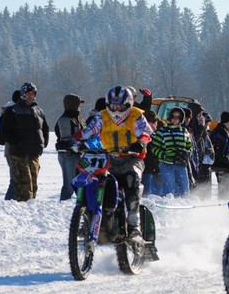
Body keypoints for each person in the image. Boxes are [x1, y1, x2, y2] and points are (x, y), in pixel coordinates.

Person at [73, 85, 153, 241]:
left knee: (132, 180)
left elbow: (146, 133)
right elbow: (87, 132)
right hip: (108, 158)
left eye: (120, 106)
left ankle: (133, 224)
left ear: (129, 103)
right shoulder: (102, 117)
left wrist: (141, 143)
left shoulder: (136, 115)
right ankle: (86, 217)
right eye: (113, 105)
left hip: (131, 158)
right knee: (87, 178)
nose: (116, 109)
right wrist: (70, 140)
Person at [2, 82, 49, 201]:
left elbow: (45, 129)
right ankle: (22, 214)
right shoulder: (12, 111)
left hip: (34, 154)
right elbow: (6, 131)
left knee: (34, 186)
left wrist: (43, 143)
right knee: (24, 188)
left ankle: (31, 213)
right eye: (28, 93)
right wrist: (18, 142)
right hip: (19, 154)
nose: (31, 96)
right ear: (23, 94)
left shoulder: (38, 110)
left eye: (33, 93)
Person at [149, 106, 194, 198]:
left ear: (181, 119)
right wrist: (163, 155)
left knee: (184, 190)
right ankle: (169, 206)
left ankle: (184, 206)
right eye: (173, 116)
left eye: (177, 117)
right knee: (170, 189)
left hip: (181, 164)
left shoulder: (184, 131)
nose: (175, 119)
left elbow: (190, 146)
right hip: (166, 164)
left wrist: (187, 153)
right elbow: (154, 146)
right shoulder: (163, 131)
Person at [54, 93, 86, 201]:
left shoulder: (78, 118)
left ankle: (81, 202)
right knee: (69, 184)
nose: (80, 106)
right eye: (79, 104)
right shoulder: (65, 120)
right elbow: (66, 139)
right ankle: (64, 202)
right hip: (69, 156)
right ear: (73, 104)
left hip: (79, 154)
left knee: (81, 181)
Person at [210, 111, 229, 200]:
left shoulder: (220, 130)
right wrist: (226, 161)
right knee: (224, 187)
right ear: (228, 121)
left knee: (223, 186)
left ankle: (222, 202)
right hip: (222, 163)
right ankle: (222, 204)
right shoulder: (222, 132)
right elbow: (222, 149)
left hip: (220, 162)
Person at [0, 90, 21, 201]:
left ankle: (12, 199)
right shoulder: (13, 111)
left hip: (9, 149)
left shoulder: (8, 110)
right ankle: (9, 200)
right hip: (12, 149)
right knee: (15, 178)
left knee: (15, 177)